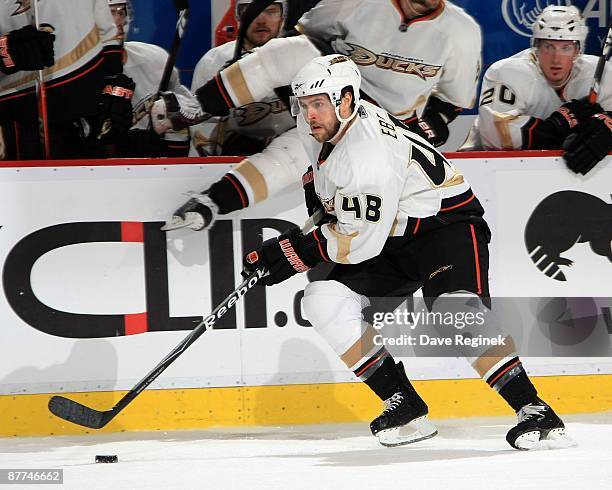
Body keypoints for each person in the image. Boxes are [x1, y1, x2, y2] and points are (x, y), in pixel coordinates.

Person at [240, 55, 572, 450]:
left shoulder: (369, 154)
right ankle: (404, 405)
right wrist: (291, 244)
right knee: (323, 299)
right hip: (392, 233)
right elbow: (333, 208)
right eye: (305, 104)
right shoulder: (324, 129)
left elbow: (357, 240)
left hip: (444, 226)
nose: (310, 114)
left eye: (320, 103)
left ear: (346, 100)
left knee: (455, 312)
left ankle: (534, 410)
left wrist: (292, 254)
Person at [153, 0, 482, 231]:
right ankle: (198, 106)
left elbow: (453, 100)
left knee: (296, 155)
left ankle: (212, 203)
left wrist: (429, 125)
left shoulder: (462, 31)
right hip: (331, 83)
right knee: (291, 51)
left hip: (377, 125)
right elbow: (307, 36)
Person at [464, 5, 611, 175]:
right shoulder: (506, 72)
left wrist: (607, 127)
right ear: (536, 46)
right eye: (548, 46)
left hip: (566, 176)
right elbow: (496, 136)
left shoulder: (602, 73)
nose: (556, 58)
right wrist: (559, 124)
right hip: (485, 171)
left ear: (578, 50)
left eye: (566, 48)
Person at [0, 0, 132, 160]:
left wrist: (114, 82)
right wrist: (4, 52)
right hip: (16, 117)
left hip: (86, 114)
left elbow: (106, 35)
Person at [189, 0, 295, 158]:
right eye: (250, 11)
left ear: (283, 16)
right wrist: (222, 143)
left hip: (293, 163)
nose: (261, 19)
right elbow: (200, 127)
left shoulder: (300, 58)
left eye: (271, 11)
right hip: (231, 166)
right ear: (238, 16)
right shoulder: (213, 62)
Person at [107, 0, 191, 157]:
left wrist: (175, 117)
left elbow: (188, 109)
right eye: (109, 14)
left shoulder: (155, 59)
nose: (118, 20)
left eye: (121, 12)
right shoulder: (76, 77)